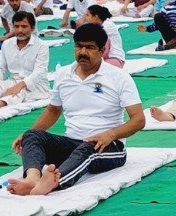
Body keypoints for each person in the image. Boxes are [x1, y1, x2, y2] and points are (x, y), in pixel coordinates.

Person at [8, 24, 145, 195]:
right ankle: (32, 179)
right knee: (32, 134)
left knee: (88, 148)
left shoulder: (119, 77)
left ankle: (53, 182)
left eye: (90, 48)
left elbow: (138, 120)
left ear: (102, 50)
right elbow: (53, 110)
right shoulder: (63, 74)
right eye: (79, 46)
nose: (83, 52)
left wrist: (111, 134)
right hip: (71, 143)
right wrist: (30, 136)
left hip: (108, 147)